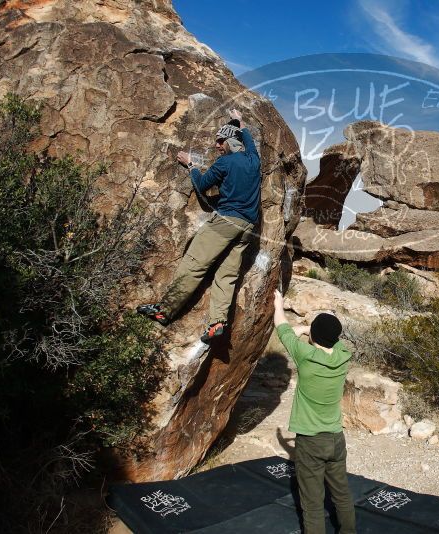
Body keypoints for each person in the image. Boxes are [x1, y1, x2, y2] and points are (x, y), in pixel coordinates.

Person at [137, 109, 260, 342]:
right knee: (227, 275)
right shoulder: (254, 160)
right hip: (247, 227)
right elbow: (248, 137)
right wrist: (239, 119)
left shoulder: (224, 163)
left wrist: (191, 164)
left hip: (225, 221)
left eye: (220, 141)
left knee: (194, 264)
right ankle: (217, 324)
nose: (216, 145)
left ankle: (165, 310)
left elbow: (202, 184)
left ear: (229, 142)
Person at [273, 289, 356, 534]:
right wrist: (311, 330)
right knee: (341, 494)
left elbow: (282, 328)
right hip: (336, 439)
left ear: (314, 337)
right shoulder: (344, 356)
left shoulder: (306, 356)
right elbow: (332, 337)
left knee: (312, 504)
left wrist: (279, 304)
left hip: (311, 441)